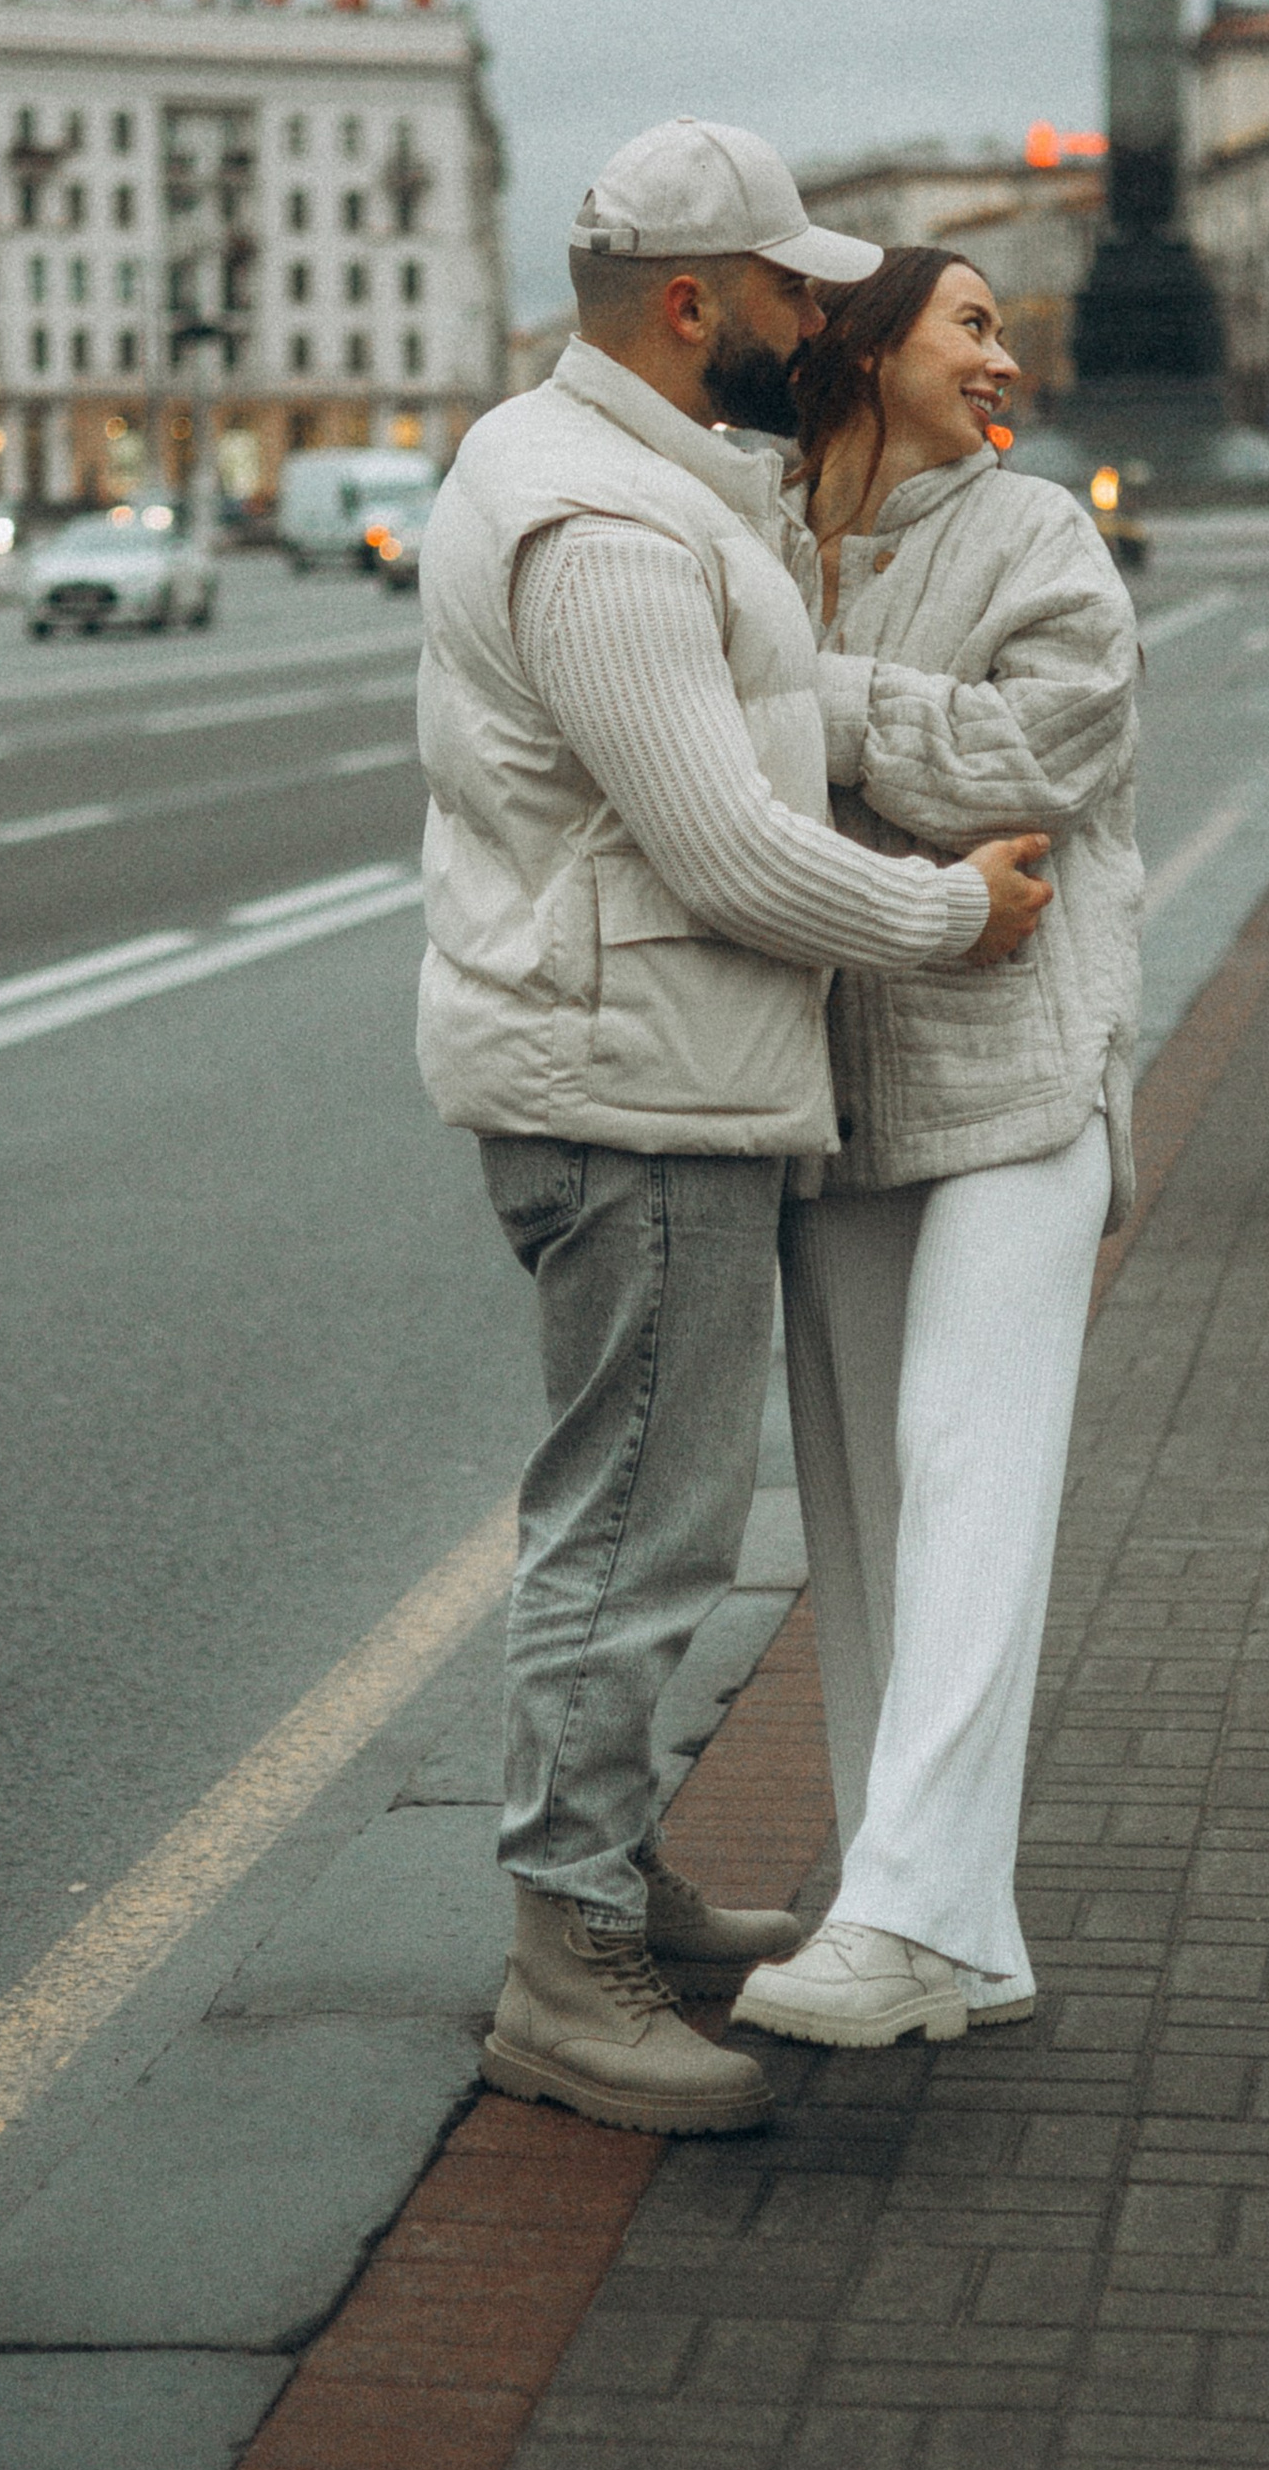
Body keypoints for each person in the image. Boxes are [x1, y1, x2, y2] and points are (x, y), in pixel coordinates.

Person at [416, 130, 1054, 2138]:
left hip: (655, 1070)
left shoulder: (632, 477)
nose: (817, 320)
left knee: (636, 1513)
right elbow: (717, 850)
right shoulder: (594, 523)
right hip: (634, 1089)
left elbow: (751, 744)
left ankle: (612, 1886)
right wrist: (952, 917)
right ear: (691, 303)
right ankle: (562, 1965)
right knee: (633, 1531)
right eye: (788, 289)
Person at [730, 248, 1142, 2051]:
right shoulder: (741, 526)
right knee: (877, 1518)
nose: (1006, 355)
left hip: (1022, 1080)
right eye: (970, 322)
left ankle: (898, 1912)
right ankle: (950, 1933)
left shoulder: (1039, 534)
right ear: (865, 343)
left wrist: (818, 710)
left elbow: (1035, 756)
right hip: (828, 1080)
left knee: (971, 1478)